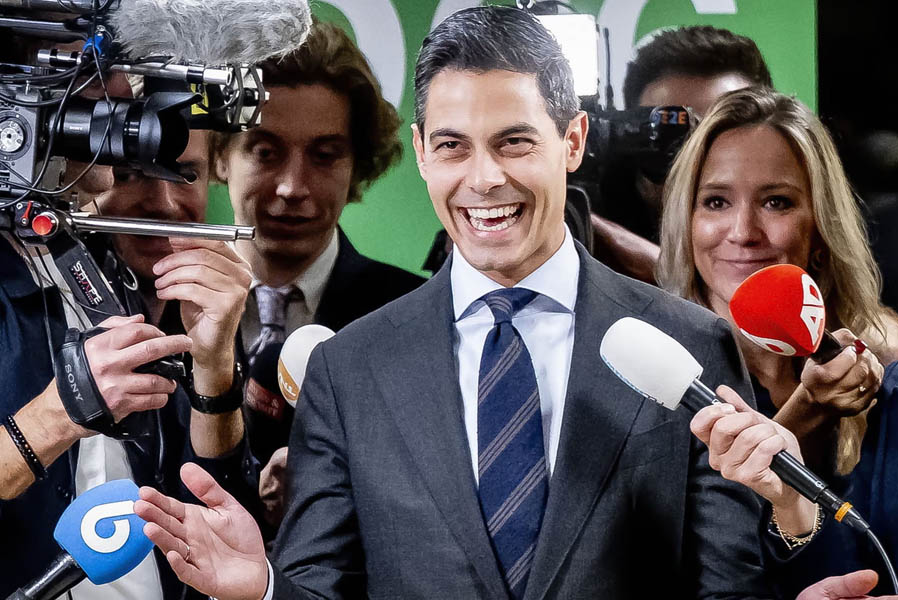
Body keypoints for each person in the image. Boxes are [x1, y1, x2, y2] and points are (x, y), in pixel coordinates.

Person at [134, 7, 835, 599]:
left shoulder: (688, 342)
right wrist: (263, 587)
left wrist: (794, 517)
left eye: (514, 142)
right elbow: (322, 585)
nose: (484, 178)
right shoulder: (350, 370)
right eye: (453, 146)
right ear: (422, 154)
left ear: (572, 141)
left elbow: (730, 584)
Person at [0, 59, 257, 597]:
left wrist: (212, 366)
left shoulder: (94, 259)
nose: (122, 96)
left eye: (184, 173)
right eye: (94, 77)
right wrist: (57, 416)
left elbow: (205, 497)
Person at [657, 86, 898, 595]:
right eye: (716, 201)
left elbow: (865, 575)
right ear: (687, 221)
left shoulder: (886, 384)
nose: (743, 231)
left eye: (776, 202)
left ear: (819, 229)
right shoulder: (652, 381)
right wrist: (804, 411)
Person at [211, 23, 424, 520]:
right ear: (221, 156)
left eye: (325, 156)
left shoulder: (412, 315)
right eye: (265, 152)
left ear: (357, 167)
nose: (292, 187)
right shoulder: (159, 305)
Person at [593, 25, 774, 282]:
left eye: (721, 132)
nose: (695, 158)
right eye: (671, 134)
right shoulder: (589, 241)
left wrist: (665, 277)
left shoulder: (797, 244)